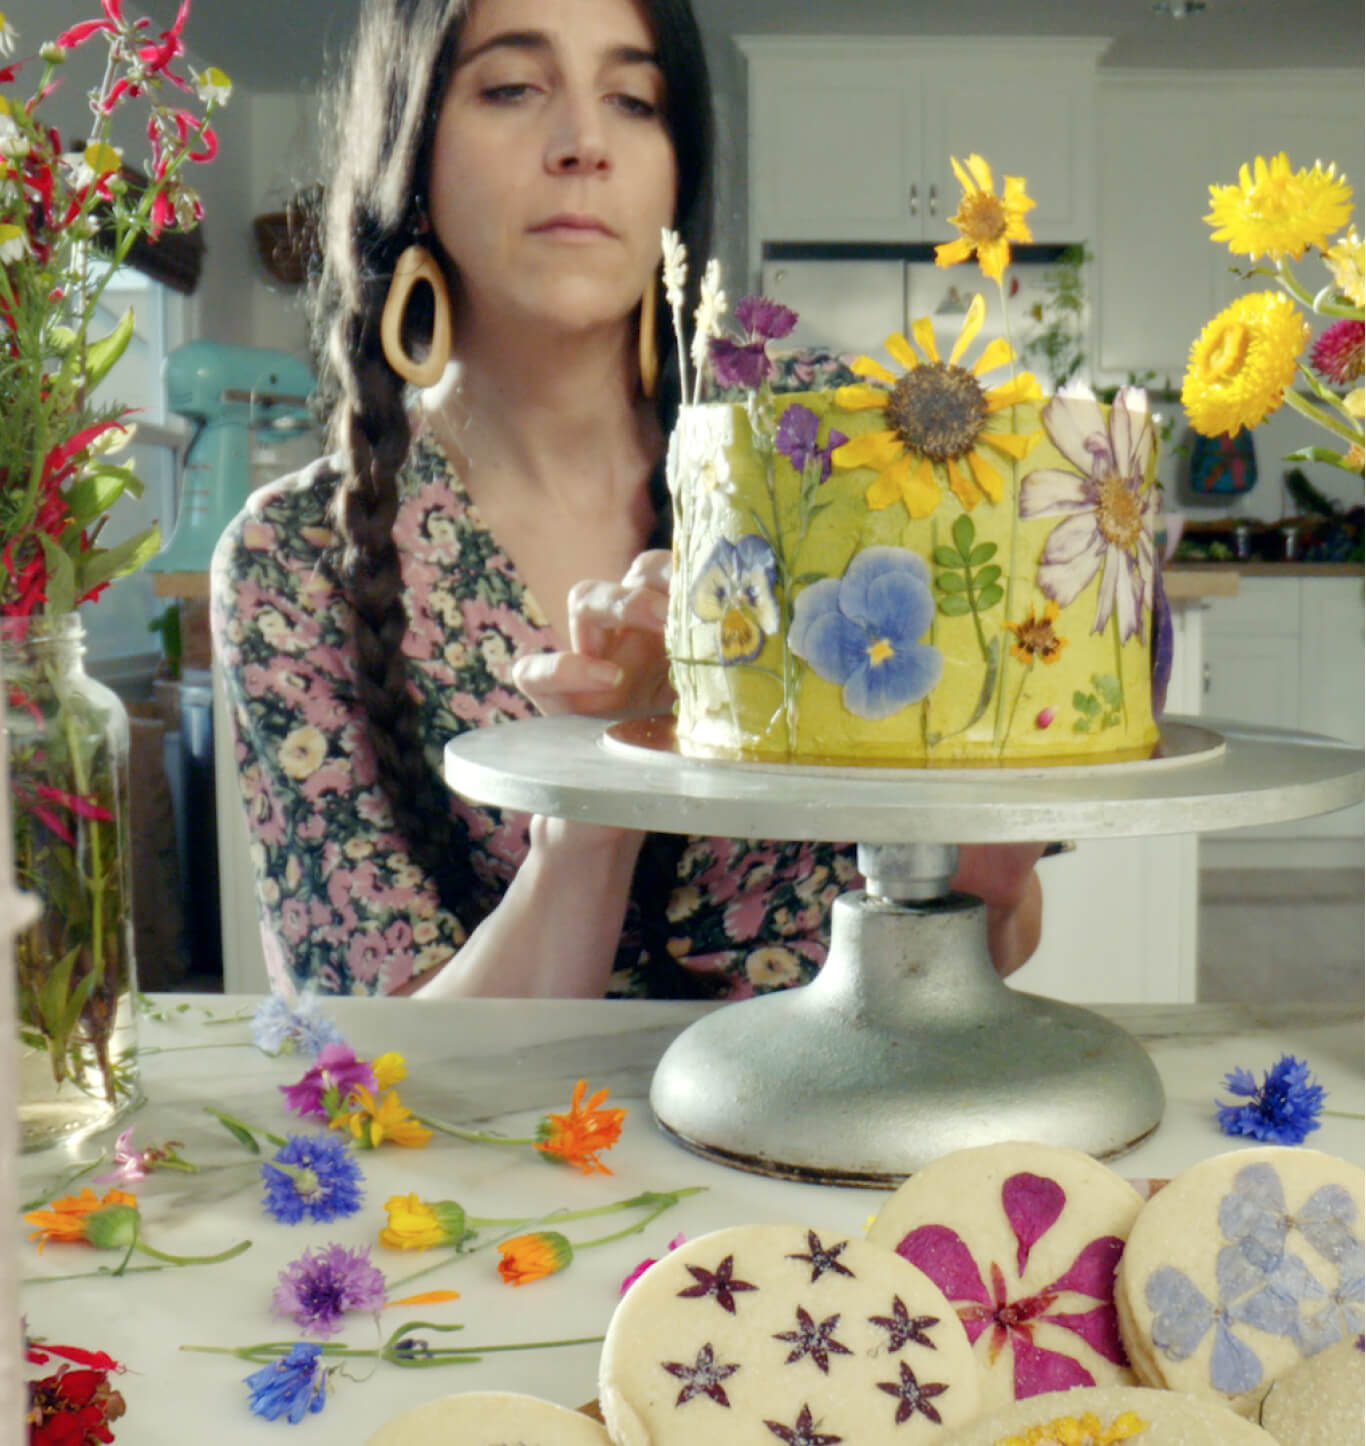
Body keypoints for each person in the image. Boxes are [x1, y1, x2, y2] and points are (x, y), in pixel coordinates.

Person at [211, 0, 1044, 1000]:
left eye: (634, 98)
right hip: (507, 1146)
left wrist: (989, 868)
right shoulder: (291, 561)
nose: (584, 144)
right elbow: (396, 1058)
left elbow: (997, 931)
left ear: (676, 167)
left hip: (851, 1127)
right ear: (411, 150)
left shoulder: (838, 446)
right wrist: (595, 806)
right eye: (513, 88)